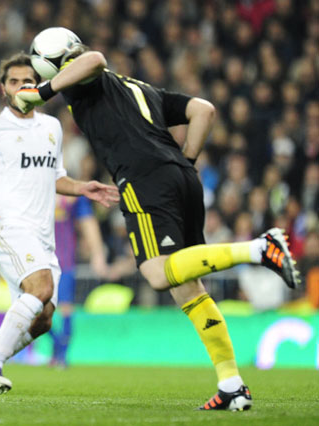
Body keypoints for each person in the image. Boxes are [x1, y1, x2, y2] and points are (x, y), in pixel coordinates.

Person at [15, 32, 299, 411]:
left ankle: (259, 249)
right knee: (188, 289)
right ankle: (231, 384)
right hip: (183, 178)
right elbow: (204, 110)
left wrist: (42, 92)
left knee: (157, 273)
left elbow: (95, 59)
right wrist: (187, 161)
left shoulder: (83, 82)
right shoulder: (141, 89)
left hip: (144, 180)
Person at [0, 52, 119, 395]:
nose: (22, 86)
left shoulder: (51, 128)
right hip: (7, 227)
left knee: (43, 319)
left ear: (39, 86)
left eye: (28, 81)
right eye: (14, 81)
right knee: (41, 289)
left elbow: (55, 177)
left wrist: (82, 188)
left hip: (42, 236)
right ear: (3, 88)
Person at [50, 194, 108, 367]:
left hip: (64, 261)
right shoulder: (32, 189)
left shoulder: (73, 194)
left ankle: (62, 355)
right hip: (35, 261)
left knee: (65, 308)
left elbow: (88, 222)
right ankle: (57, 346)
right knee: (36, 311)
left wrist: (97, 253)